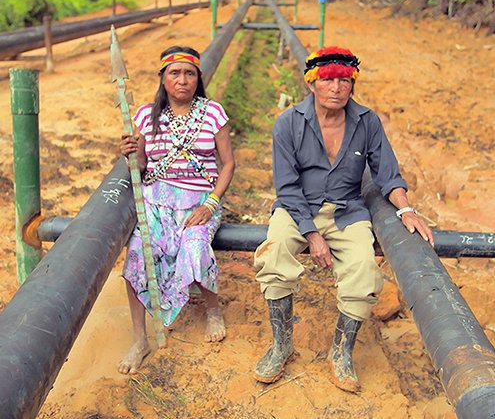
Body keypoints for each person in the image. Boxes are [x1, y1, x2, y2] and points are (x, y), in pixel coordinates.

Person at [253, 46, 434, 392]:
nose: (336, 88)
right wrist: (312, 235)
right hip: (297, 208)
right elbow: (287, 187)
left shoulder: (367, 121)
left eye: (344, 80)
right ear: (312, 84)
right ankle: (281, 345)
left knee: (365, 271)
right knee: (273, 255)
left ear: (353, 84)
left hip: (346, 209)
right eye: (327, 80)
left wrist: (406, 208)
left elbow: (388, 173)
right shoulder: (288, 123)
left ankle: (341, 350)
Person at [118, 46, 235, 374]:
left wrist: (211, 204)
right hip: (156, 201)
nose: (182, 80)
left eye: (189, 74)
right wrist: (131, 153)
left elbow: (228, 164)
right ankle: (140, 339)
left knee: (195, 244)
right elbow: (141, 167)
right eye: (175, 73)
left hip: (200, 202)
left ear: (198, 79)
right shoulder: (145, 115)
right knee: (138, 253)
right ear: (163, 78)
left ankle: (213, 310)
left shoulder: (213, 112)